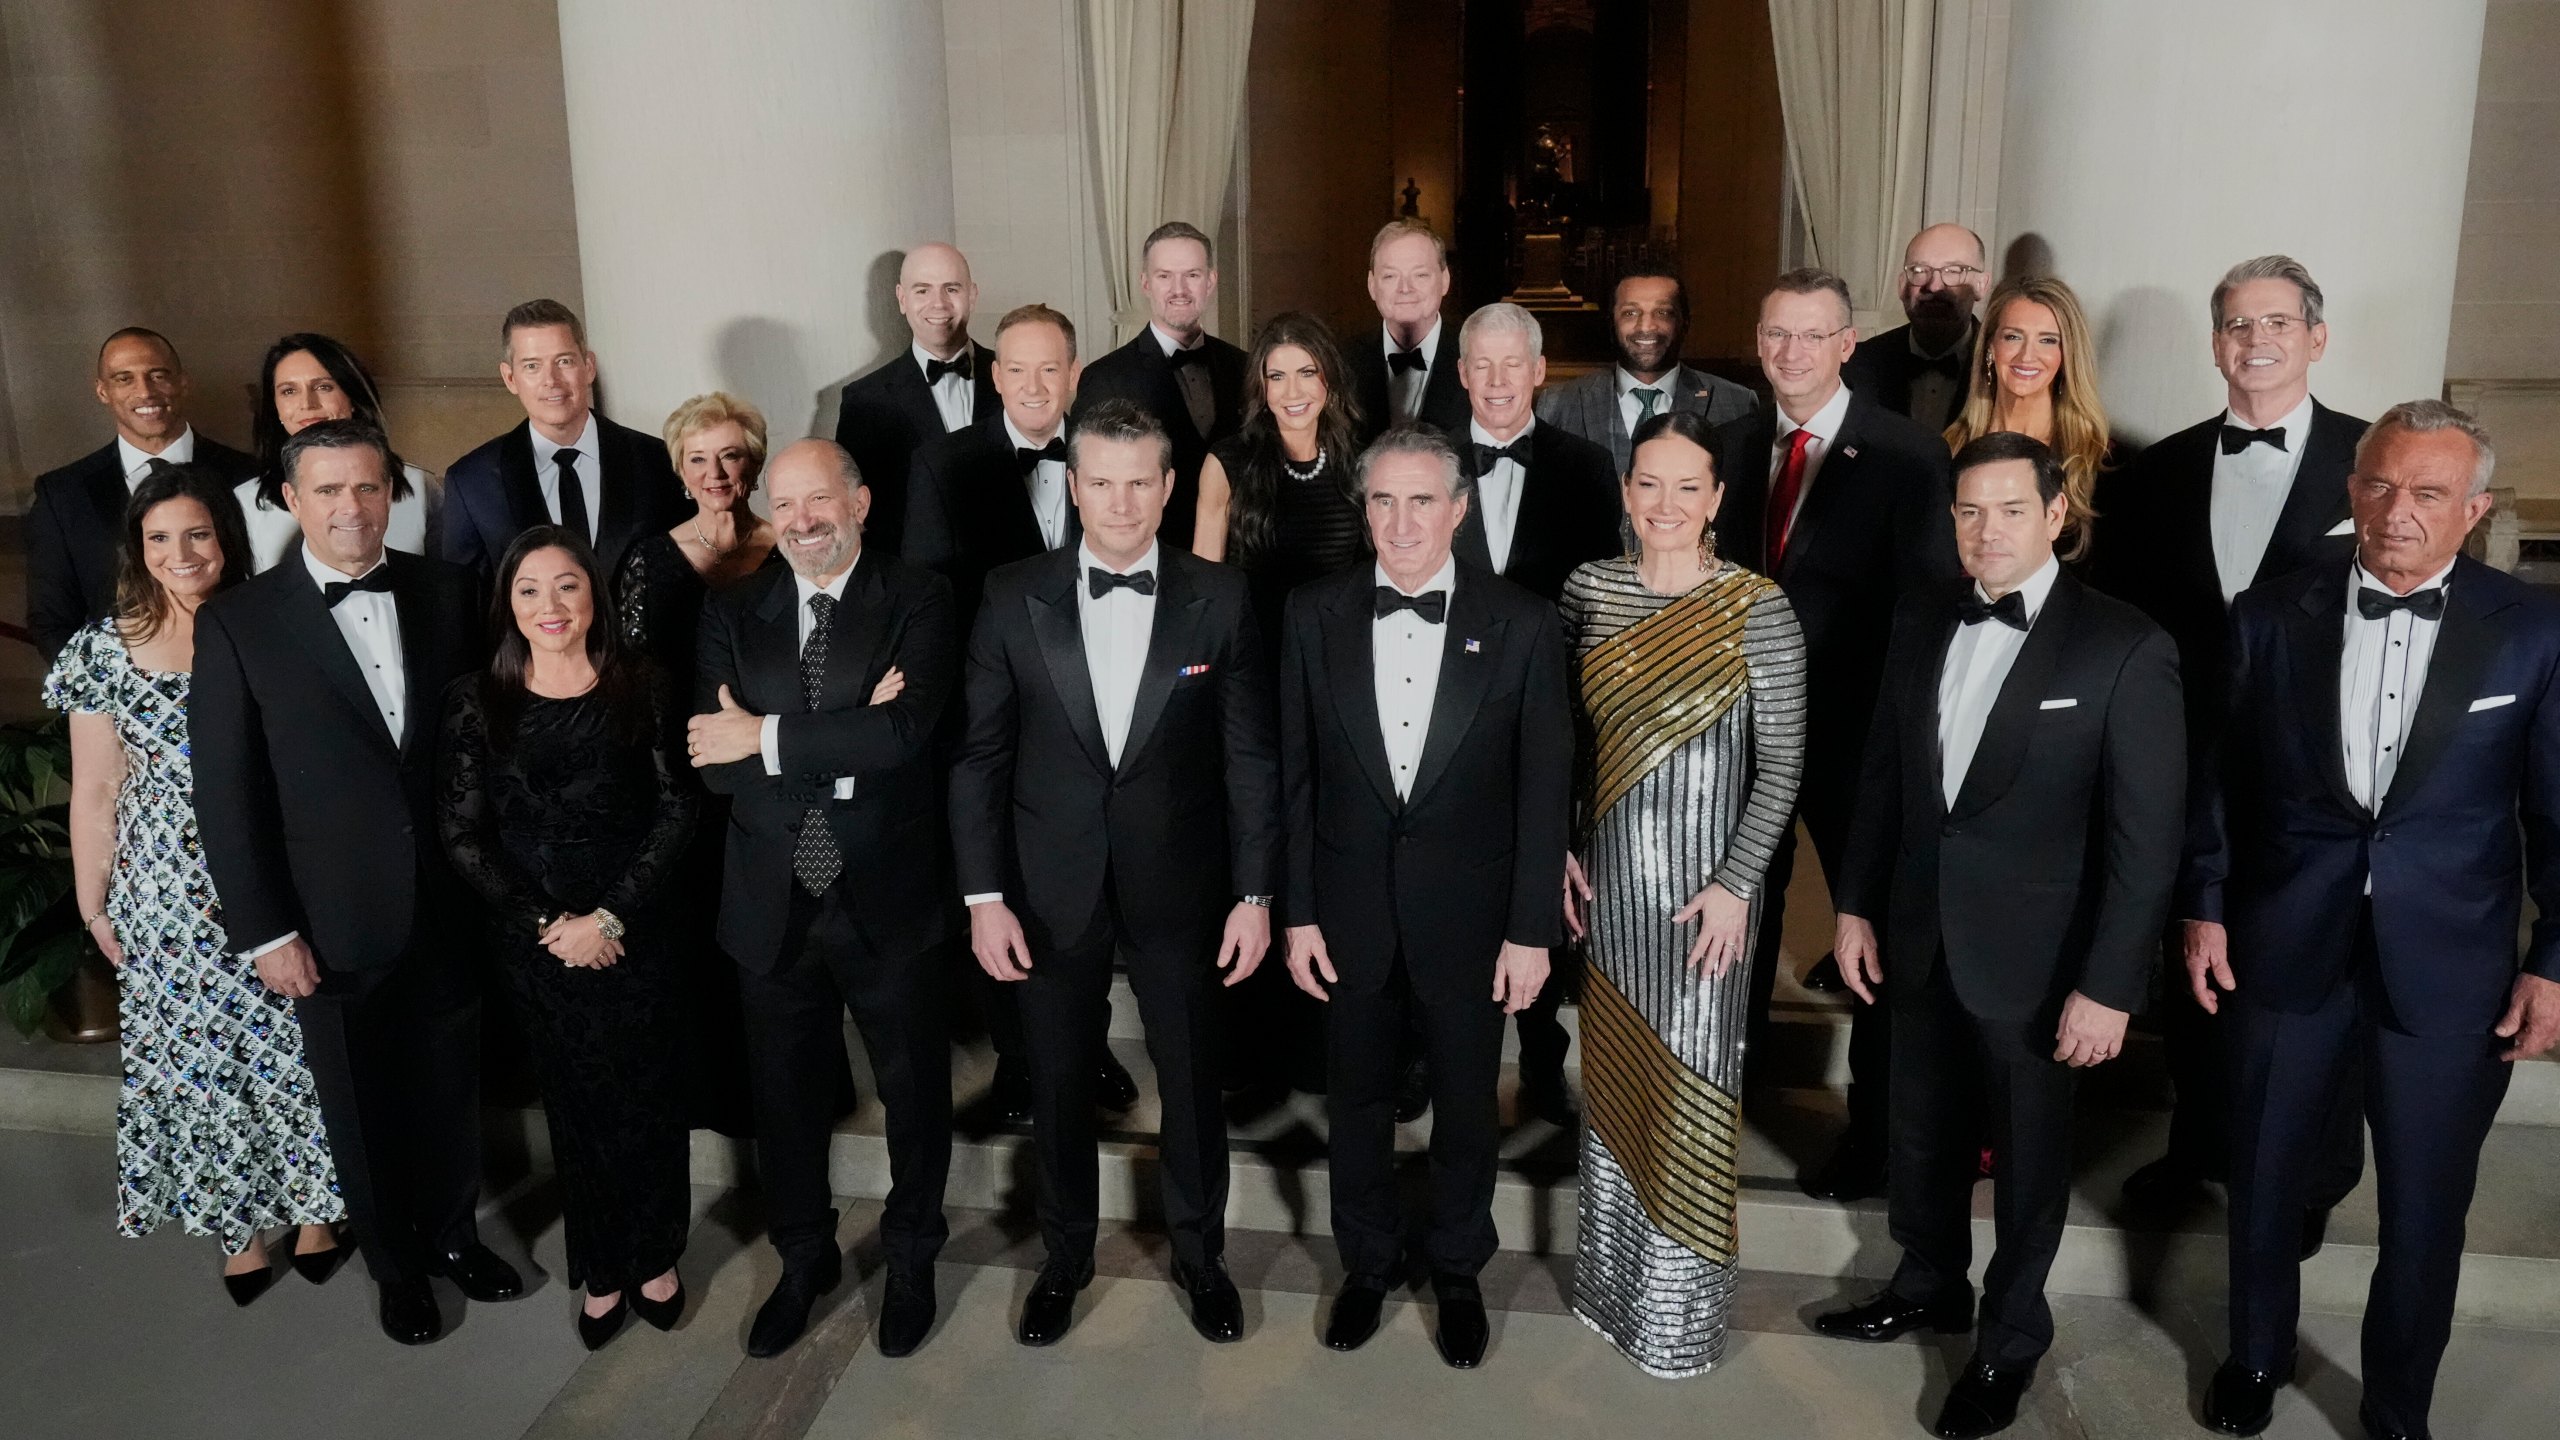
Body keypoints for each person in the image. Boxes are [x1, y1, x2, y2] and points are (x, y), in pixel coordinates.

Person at [2187, 401, 2560, 1440]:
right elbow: (2220, 782)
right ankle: (2255, 1358)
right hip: (2282, 941)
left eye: (2429, 494)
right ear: (2352, 492)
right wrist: (2205, 907)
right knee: (2262, 1177)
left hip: (2450, 967)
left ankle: (2397, 1404)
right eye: (2379, 486)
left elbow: (2557, 814)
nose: (2398, 513)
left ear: (2474, 509)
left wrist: (2554, 963)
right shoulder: (2269, 614)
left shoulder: (2533, 631)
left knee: (2425, 1208)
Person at [1816, 432, 2183, 1440]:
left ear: (2056, 513)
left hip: (2041, 963)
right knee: (1918, 1130)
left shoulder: (2126, 646)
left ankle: (2008, 1337)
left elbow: (2144, 846)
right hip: (1917, 932)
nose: (1984, 531)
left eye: (2009, 510)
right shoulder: (1921, 613)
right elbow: (1885, 776)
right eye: (1968, 511)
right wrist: (1852, 903)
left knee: (2025, 1164)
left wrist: (2110, 986)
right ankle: (1926, 1282)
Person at [951, 399, 1280, 1348]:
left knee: (1188, 1077)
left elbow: (1250, 759)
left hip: (1183, 884)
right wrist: (983, 898)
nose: (1122, 501)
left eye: (1141, 481)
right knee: (1056, 1083)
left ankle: (1201, 1256)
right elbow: (978, 758)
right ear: (1074, 487)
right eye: (1101, 481)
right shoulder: (1012, 592)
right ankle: (1064, 1259)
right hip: (1046, 889)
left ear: (1171, 488)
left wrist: (1255, 895)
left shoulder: (1220, 597)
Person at [190, 417, 511, 1347]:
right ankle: (395, 1266)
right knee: (359, 1103)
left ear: (392, 494)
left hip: (449, 900)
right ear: (291, 500)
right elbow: (228, 792)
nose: (351, 508)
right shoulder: (240, 621)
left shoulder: (450, 593)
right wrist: (265, 930)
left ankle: (453, 1237)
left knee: (451, 1081)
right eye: (328, 490)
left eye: (368, 488)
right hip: (327, 917)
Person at [1279, 424, 1572, 1369]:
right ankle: (1365, 1265)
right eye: (1382, 501)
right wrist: (1297, 911)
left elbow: (1544, 790)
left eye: (1421, 501)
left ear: (1458, 508)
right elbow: (1293, 780)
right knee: (1357, 1104)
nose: (1401, 523)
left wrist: (1532, 930)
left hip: (1474, 920)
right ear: (1362, 511)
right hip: (1347, 910)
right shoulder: (1308, 613)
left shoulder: (1525, 623)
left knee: (1466, 1107)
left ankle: (1456, 1267)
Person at [2092, 256, 2369, 1222]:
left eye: (2278, 323)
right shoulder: (2159, 470)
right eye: (2238, 325)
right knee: (2196, 959)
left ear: (2316, 337)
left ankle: (2313, 1173)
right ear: (2216, 344)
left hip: (2326, 774)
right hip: (2184, 763)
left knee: (2318, 969)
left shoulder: (2373, 461)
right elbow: (2122, 623)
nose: (2257, 341)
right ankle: (2198, 1145)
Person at [44, 464, 345, 1305]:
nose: (182, 553)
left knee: (295, 1051)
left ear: (227, 537)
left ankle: (321, 1209)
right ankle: (238, 1226)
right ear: (137, 550)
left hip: (274, 874)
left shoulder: (270, 621)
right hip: (165, 896)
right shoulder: (102, 648)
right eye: (160, 538)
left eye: (199, 533)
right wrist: (92, 900)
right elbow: (96, 785)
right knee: (200, 1067)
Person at [686, 439, 957, 1361]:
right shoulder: (733, 610)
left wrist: (762, 734)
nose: (803, 520)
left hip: (890, 893)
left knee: (914, 1092)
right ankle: (803, 1259)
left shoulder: (917, 597)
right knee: (786, 1100)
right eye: (787, 504)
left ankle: (915, 1253)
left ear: (861, 500)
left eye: (820, 501)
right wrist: (843, 730)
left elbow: (908, 733)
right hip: (772, 902)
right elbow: (710, 767)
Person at [1557, 410, 1806, 1377]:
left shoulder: (1758, 607)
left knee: (1694, 1096)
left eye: (1687, 487)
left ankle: (1679, 1323)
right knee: (1616, 1089)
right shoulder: (1588, 591)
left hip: (1709, 905)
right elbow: (1567, 744)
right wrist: (1563, 849)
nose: (1665, 504)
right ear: (1626, 493)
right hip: (1613, 893)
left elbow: (1783, 765)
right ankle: (1613, 1294)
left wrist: (1740, 887)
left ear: (1717, 499)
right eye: (1648, 484)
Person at [1711, 266, 1961, 1202]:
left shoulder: (1908, 454)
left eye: (1811, 336)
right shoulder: (1729, 443)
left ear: (1848, 343)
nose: (1790, 353)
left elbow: (1927, 606)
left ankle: (1878, 1133)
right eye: (1775, 334)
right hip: (1741, 734)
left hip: (1857, 737)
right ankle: (1715, 1102)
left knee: (1871, 939)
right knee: (1735, 920)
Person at [438, 528, 694, 1350]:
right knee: (578, 1109)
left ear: (596, 599)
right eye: (530, 591)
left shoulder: (645, 684)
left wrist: (611, 916)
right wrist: (552, 927)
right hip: (539, 947)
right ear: (508, 605)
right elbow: (463, 835)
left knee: (648, 1100)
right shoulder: (477, 699)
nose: (551, 607)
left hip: (639, 932)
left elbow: (677, 808)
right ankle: (604, 1265)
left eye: (568, 588)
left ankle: (656, 1255)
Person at [900, 301, 1142, 1122]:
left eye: (1051, 369)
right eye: (1017, 368)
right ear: (993, 375)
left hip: (1101, 710)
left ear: (1074, 375)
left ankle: (1089, 1043)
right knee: (1002, 878)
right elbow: (930, 595)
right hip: (991, 710)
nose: (1034, 384)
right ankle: (1017, 1057)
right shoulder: (943, 463)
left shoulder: (1113, 460)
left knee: (1090, 890)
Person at [1448, 300, 1620, 1123]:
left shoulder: (1587, 467)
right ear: (1460, 374)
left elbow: (1595, 598)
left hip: (1554, 705)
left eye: (1511, 364)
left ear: (1540, 372)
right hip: (1446, 717)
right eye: (1480, 365)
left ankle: (1544, 1050)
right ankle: (1448, 1051)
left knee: (1547, 879)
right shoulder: (1430, 460)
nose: (1496, 381)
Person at [1194, 311, 1368, 1103]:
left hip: (1342, 690)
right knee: (1255, 856)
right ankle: (1253, 1057)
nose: (1293, 390)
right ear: (1259, 388)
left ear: (1328, 379)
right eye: (1277, 375)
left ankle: (1332, 1047)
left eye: (1307, 373)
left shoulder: (1365, 463)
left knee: (1331, 860)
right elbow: (1200, 590)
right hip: (1252, 687)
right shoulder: (1227, 464)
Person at [615, 392, 781, 1136]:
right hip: (683, 778)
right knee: (702, 938)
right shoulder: (652, 559)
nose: (717, 472)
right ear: (681, 472)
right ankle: (718, 1098)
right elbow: (631, 685)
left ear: (753, 465)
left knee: (776, 938)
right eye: (699, 459)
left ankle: (786, 1086)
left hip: (776, 771)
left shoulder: (789, 544)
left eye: (731, 455)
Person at [27, 328, 258, 660]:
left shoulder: (248, 475)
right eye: (124, 379)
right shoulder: (62, 494)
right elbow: (51, 619)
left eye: (158, 375)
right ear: (102, 391)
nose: (145, 391)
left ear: (183, 382)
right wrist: (110, 693)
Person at [441, 298, 685, 585]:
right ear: (510, 378)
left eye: (564, 361)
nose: (551, 380)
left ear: (589, 366)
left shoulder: (657, 460)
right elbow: (465, 600)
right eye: (532, 366)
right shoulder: (471, 482)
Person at [1071, 222, 1248, 551]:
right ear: (1145, 283)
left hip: (1240, 562)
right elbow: (1086, 491)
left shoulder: (1245, 367)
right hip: (1150, 561)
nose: (1179, 289)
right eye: (1165, 276)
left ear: (1211, 281)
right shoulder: (1105, 378)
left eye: (1192, 275)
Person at [834, 243, 999, 558]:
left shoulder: (1016, 377)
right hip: (916, 586)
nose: (938, 304)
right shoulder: (863, 401)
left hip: (1013, 579)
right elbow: (859, 515)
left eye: (951, 289)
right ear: (901, 298)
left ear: (973, 295)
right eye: (922, 290)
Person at [1941, 275, 2116, 562]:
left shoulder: (2098, 460)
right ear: (1989, 347)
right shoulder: (1946, 448)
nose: (2027, 355)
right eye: (2013, 336)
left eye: (2048, 340)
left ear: (2067, 355)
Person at [237, 333, 440, 568]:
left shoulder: (420, 487)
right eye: (289, 391)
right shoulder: (245, 502)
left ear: (352, 395)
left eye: (323, 386)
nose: (307, 404)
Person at [1534, 266, 1756, 476]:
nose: (1646, 326)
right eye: (1630, 313)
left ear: (1685, 322)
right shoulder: (1559, 404)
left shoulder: (1737, 403)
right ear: (1612, 323)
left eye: (1662, 312)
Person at [1841, 223, 1989, 435]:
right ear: (1902, 285)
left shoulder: (2002, 368)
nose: (1935, 286)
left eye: (1954, 271)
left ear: (1982, 285)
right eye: (1919, 271)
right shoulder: (1857, 364)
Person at [1344, 220, 1471, 439]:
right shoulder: (1342, 362)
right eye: (1390, 276)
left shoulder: (1476, 356)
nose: (1405, 289)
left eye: (1420, 275)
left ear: (1445, 280)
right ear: (1372, 285)